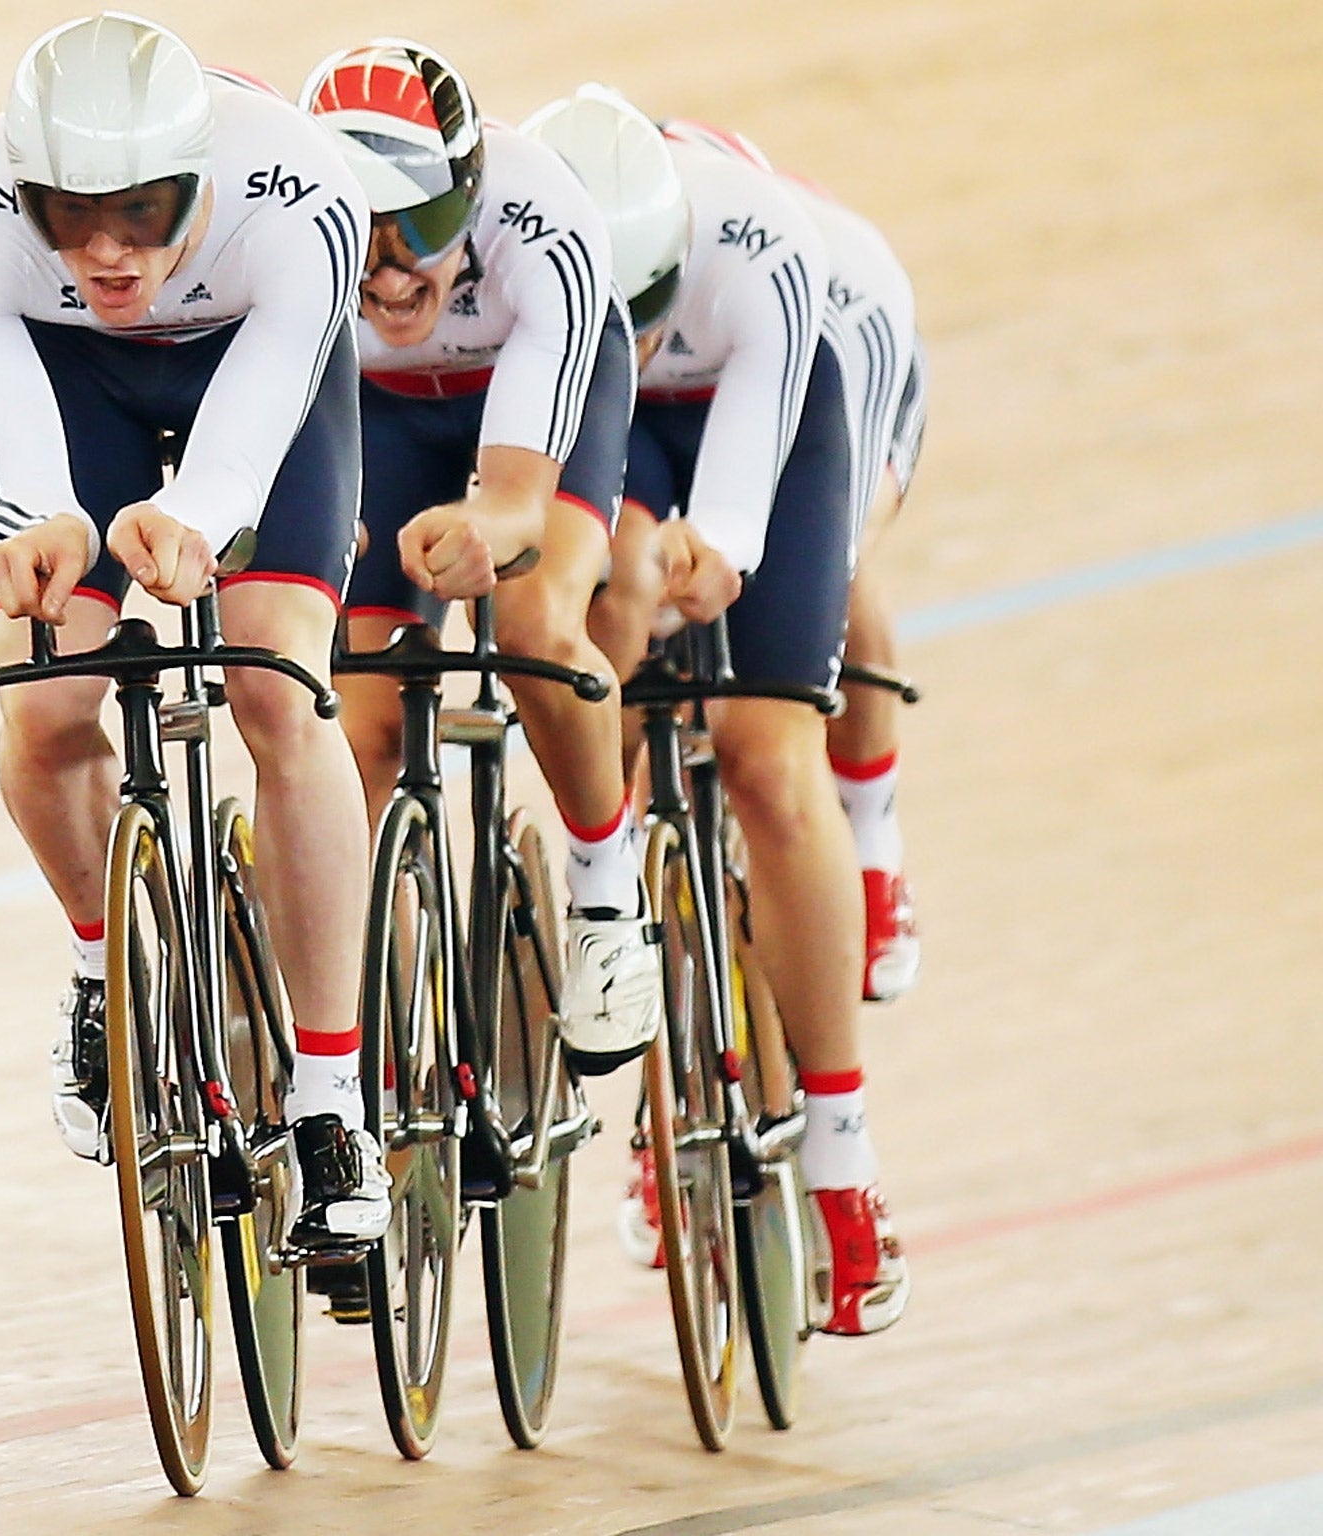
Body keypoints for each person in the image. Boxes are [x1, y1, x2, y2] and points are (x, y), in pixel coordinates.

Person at [0, 13, 387, 1244]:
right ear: (24, 194)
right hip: (73, 384)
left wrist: (196, 520)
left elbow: (249, 440)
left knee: (281, 687)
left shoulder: (304, 194)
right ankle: (97, 964)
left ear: (201, 185)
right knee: (46, 690)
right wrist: (41, 523)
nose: (108, 252)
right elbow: (16, 445)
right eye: (68, 218)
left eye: (142, 213)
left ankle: (330, 1102)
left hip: (252, 372)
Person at [523, 84, 909, 1335]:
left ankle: (843, 1167)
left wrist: (721, 553)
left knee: (761, 753)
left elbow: (740, 510)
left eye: (636, 313)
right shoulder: (525, 252)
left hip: (780, 408)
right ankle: (643, 1033)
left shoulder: (764, 249)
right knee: (610, 631)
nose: (623, 336)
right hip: (616, 433)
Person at [300, 41, 661, 1076]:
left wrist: (489, 533)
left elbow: (513, 505)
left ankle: (603, 899)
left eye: (417, 226)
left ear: (468, 194)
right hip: (381, 415)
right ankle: (355, 1017)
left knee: (540, 625)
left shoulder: (541, 218)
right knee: (357, 714)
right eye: (358, 234)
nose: (387, 267)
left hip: (540, 392)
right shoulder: (287, 238)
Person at [661, 120, 928, 1003]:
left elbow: (831, 513)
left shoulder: (843, 276)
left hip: (844, 389)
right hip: (690, 384)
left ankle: (874, 847)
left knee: (837, 573)